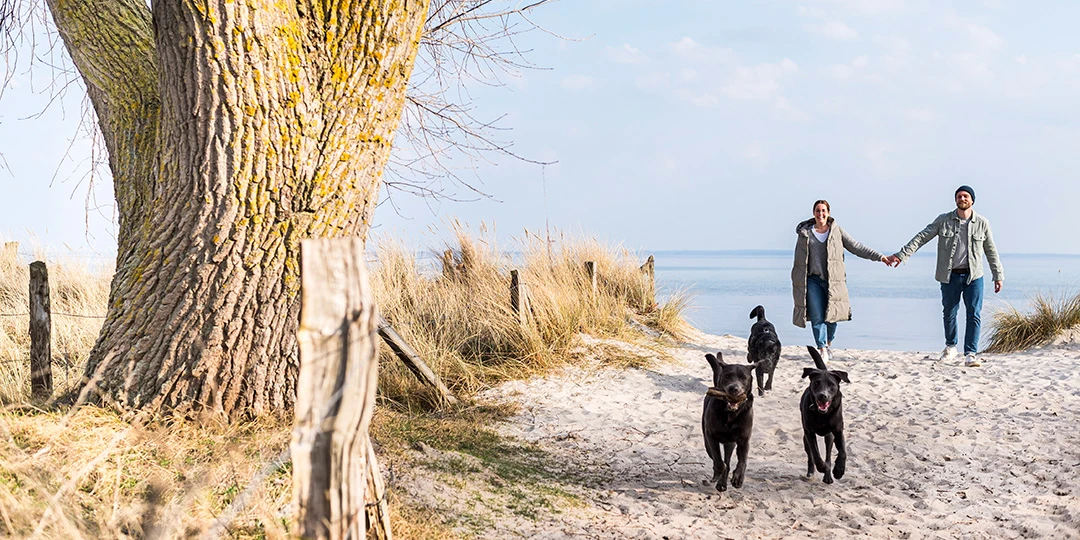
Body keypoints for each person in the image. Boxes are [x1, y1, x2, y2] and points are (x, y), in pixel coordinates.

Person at [885, 186, 1004, 367]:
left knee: (974, 314)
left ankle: (970, 353)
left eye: (965, 196)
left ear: (972, 200)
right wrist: (902, 255)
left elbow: (991, 250)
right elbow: (921, 237)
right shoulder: (944, 220)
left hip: (974, 277)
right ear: (955, 200)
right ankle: (951, 347)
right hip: (950, 276)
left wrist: (997, 275)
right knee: (949, 312)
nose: (962, 199)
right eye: (959, 196)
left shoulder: (982, 223)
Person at [792, 200, 892, 363]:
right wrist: (797, 279)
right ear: (813, 213)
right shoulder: (805, 233)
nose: (820, 214)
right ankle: (822, 348)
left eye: (823, 211)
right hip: (812, 280)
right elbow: (799, 260)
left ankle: (828, 343)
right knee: (817, 316)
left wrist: (880, 257)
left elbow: (856, 247)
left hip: (833, 281)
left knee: (833, 318)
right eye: (817, 211)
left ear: (828, 213)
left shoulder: (836, 231)